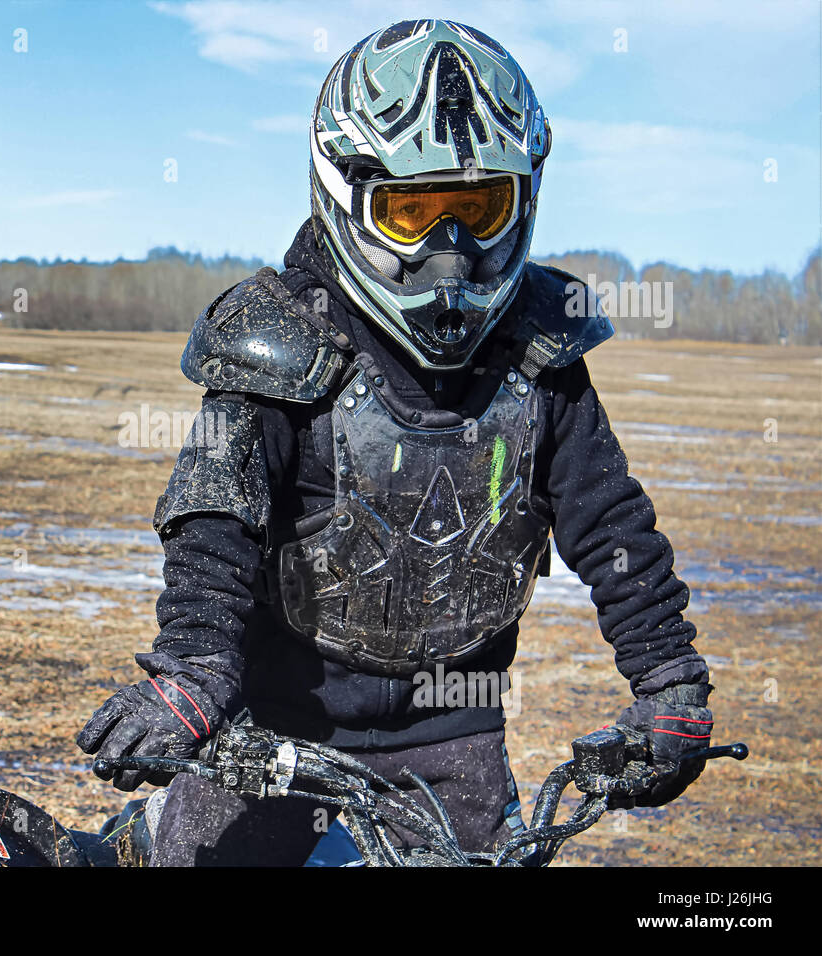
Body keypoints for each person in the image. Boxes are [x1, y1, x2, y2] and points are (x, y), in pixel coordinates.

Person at [77, 18, 713, 866]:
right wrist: (193, 673)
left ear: (523, 199)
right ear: (346, 196)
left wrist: (668, 679)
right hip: (271, 731)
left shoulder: (542, 355)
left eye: (479, 209)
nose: (451, 254)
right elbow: (212, 523)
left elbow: (611, 527)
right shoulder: (276, 338)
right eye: (412, 212)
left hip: (455, 738)